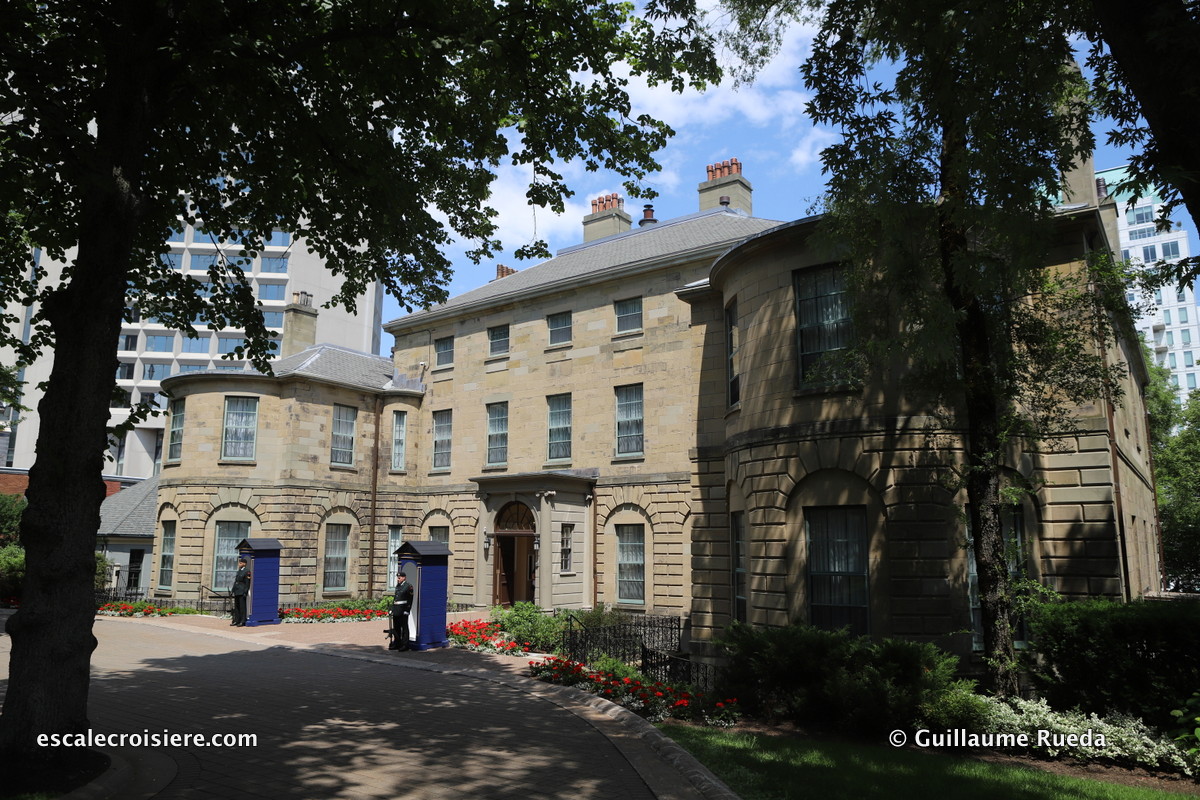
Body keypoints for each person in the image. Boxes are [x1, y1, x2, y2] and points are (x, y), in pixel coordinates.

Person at [390, 569, 414, 651]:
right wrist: (392, 609)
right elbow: (395, 598)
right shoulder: (398, 586)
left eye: (399, 577)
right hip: (397, 609)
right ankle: (397, 643)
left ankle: (405, 644)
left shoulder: (408, 586)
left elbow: (410, 599)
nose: (398, 579)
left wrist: (407, 610)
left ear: (404, 578)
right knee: (396, 627)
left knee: (404, 628)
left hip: (403, 609)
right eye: (398, 577)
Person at [231, 556, 251, 627]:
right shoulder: (239, 571)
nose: (239, 564)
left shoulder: (247, 571)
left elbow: (247, 583)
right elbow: (236, 581)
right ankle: (237, 620)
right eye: (239, 562)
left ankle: (242, 621)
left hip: (242, 591)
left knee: (242, 607)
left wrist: (245, 592)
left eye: (241, 563)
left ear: (244, 564)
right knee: (237, 607)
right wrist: (232, 590)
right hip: (237, 590)